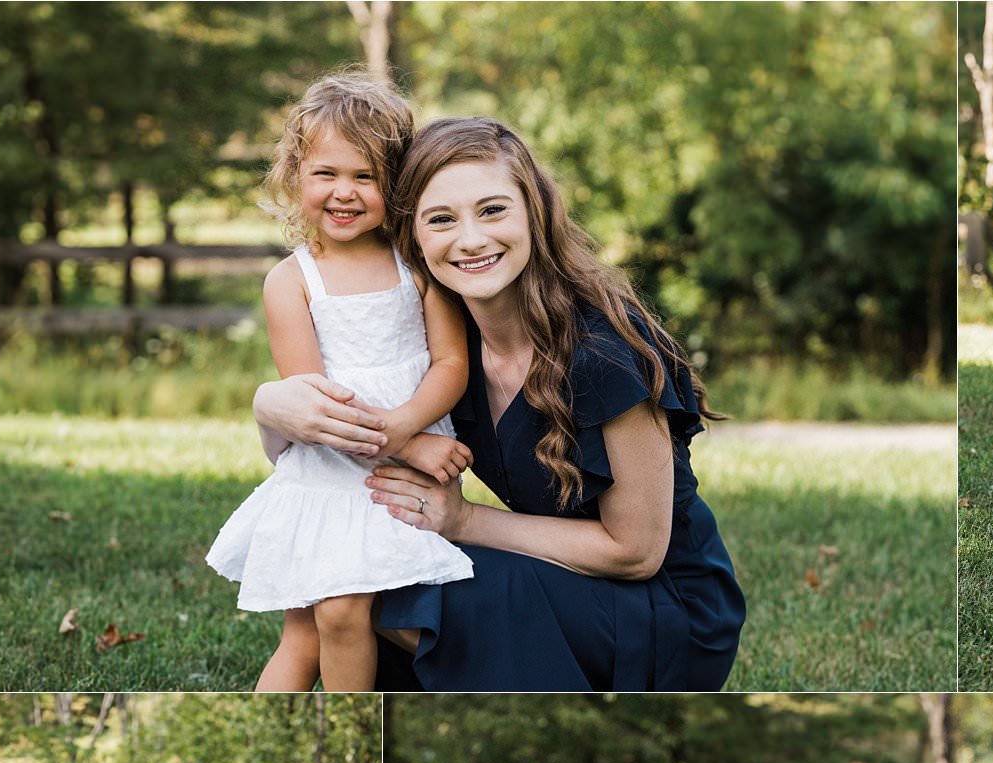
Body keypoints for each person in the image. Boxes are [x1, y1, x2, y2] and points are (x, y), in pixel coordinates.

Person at [251, 116, 745, 691]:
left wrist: (462, 520)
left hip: (663, 611)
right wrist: (269, 406)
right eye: (441, 219)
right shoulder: (449, 348)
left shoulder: (602, 352)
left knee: (394, 592)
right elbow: (320, 457)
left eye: (492, 210)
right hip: (559, 572)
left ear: (534, 213)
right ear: (413, 235)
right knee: (355, 580)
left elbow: (637, 551)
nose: (471, 240)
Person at [206, 73, 473, 692]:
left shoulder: (418, 266)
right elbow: (316, 409)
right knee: (316, 625)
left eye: (366, 176)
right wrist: (410, 445)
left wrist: (407, 427)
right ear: (295, 175)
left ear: (397, 184)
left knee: (342, 613)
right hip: (329, 475)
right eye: (326, 173)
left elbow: (451, 365)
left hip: (388, 480)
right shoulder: (292, 281)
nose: (344, 193)